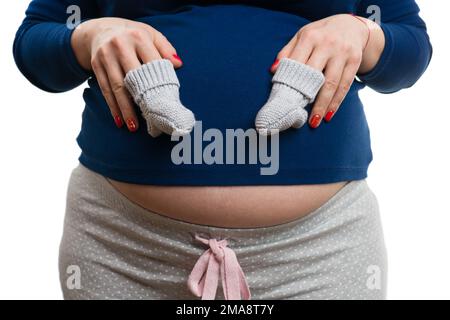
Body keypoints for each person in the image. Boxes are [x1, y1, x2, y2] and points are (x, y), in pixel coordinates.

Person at [13, 0, 432, 300]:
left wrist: (362, 32)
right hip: (126, 245)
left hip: (318, 247)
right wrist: (88, 35)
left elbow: (410, 48)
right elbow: (35, 42)